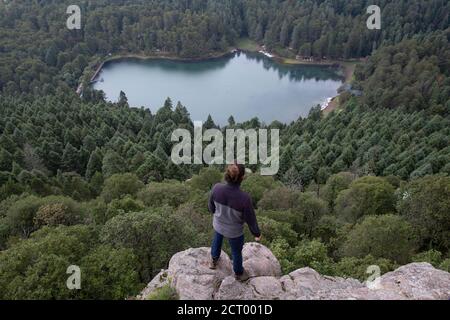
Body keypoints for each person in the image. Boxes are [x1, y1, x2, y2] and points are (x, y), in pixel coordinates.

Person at [208, 162, 261, 281]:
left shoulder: (217, 188)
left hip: (218, 224)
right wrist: (256, 233)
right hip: (234, 231)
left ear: (227, 174)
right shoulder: (244, 198)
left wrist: (218, 215)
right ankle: (238, 273)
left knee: (217, 239)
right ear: (242, 178)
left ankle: (213, 260)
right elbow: (251, 219)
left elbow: (211, 207)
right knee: (236, 252)